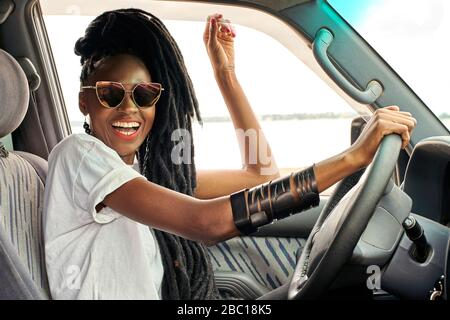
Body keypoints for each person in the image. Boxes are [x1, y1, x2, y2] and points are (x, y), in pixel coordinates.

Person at [43, 8, 417, 300]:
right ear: (84, 101)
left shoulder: (144, 176)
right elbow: (206, 224)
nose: (129, 109)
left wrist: (227, 77)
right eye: (111, 93)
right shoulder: (79, 156)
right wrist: (351, 159)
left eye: (143, 95)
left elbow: (261, 173)